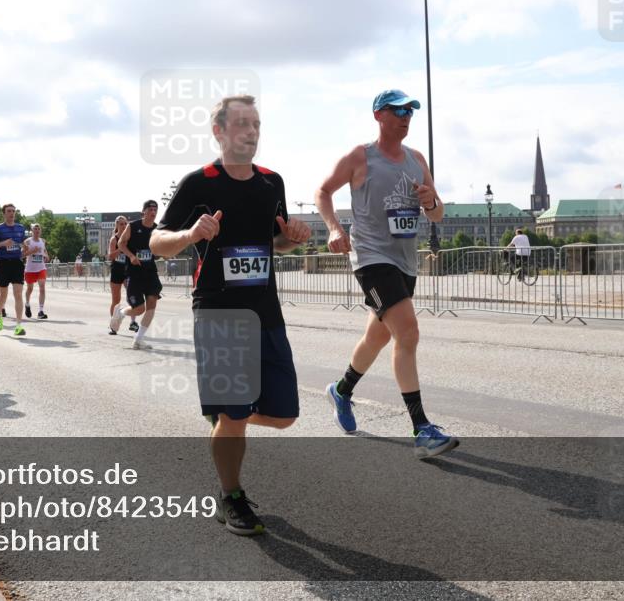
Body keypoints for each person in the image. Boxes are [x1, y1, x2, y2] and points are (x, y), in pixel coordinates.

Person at [150, 95, 311, 536]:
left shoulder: (271, 182)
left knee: (285, 416)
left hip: (266, 311)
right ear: (219, 131)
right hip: (219, 310)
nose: (252, 131)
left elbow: (274, 241)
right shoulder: (199, 183)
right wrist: (190, 233)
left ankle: (224, 420)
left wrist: (293, 238)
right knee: (236, 414)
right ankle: (231, 495)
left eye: (256, 123)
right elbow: (157, 242)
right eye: (241, 123)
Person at [315, 89, 458, 458]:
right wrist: (334, 228)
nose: (406, 116)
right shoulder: (360, 156)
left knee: (377, 338)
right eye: (397, 110)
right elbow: (323, 191)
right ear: (379, 115)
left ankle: (342, 390)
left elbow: (437, 214)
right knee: (408, 332)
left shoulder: (417, 159)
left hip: (405, 260)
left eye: (410, 110)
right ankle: (422, 428)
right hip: (371, 256)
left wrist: (430, 201)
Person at [110, 200, 163, 349]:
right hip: (134, 273)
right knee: (139, 309)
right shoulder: (133, 226)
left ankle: (138, 339)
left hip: (151, 272)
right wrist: (131, 256)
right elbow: (121, 244)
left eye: (155, 209)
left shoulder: (157, 229)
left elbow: (158, 250)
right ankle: (120, 312)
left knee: (152, 303)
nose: (153, 212)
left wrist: (163, 253)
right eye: (150, 209)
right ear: (144, 212)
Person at [0, 204, 27, 336]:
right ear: (4, 214)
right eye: (9, 211)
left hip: (17, 263)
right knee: (3, 294)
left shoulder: (20, 228)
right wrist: (3, 243)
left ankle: (18, 326)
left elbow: (22, 245)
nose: (12, 213)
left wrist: (25, 248)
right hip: (3, 263)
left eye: (13, 211)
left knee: (18, 294)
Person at [107, 216, 137, 334]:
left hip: (128, 270)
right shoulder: (114, 239)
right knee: (116, 300)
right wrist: (121, 248)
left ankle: (133, 322)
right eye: (121, 224)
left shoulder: (130, 238)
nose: (124, 226)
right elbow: (110, 256)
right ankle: (113, 325)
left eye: (125, 224)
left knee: (132, 296)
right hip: (117, 270)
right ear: (117, 225)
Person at [23, 223, 49, 320]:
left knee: (42, 288)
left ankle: (41, 311)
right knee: (30, 289)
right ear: (32, 231)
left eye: (39, 229)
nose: (37, 230)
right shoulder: (27, 241)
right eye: (35, 229)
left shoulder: (43, 241)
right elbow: (22, 254)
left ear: (40, 231)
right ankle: (27, 304)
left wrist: (46, 256)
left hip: (41, 268)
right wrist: (32, 252)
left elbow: (44, 250)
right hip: (30, 269)